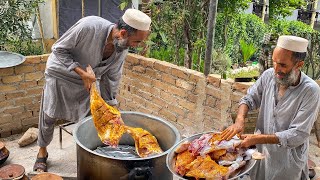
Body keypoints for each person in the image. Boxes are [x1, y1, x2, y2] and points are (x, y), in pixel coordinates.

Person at [33, 9, 151, 172]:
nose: (136, 46)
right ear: (123, 33)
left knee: (93, 117)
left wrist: (112, 108)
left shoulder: (121, 50)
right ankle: (42, 152)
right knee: (49, 114)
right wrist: (82, 73)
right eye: (136, 42)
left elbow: (112, 79)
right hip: (61, 74)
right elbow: (58, 49)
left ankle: (93, 154)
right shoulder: (89, 26)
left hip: (87, 81)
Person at [221, 35, 320, 180]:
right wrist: (240, 120)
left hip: (287, 161)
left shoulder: (310, 91)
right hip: (261, 155)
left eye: (282, 65)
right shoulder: (268, 76)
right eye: (274, 62)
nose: (276, 69)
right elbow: (249, 98)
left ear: (299, 65)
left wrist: (258, 139)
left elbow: (298, 134)